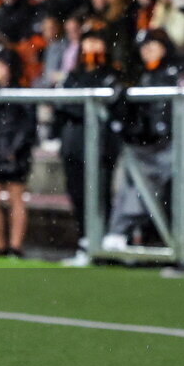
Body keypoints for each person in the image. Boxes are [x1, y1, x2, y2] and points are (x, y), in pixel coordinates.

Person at [102, 29, 179, 251]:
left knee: (172, 194)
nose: (148, 52)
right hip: (144, 144)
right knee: (134, 189)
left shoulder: (173, 72)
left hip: (170, 144)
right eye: (144, 48)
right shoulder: (138, 74)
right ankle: (124, 235)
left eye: (152, 47)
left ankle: (173, 242)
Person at [57, 28, 122, 266]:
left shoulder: (111, 75)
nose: (92, 47)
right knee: (77, 194)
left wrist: (79, 106)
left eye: (97, 42)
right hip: (73, 143)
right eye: (88, 42)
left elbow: (108, 104)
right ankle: (85, 241)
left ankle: (101, 244)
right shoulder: (73, 75)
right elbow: (62, 105)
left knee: (100, 194)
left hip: (100, 145)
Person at [0, 46, 36, 257]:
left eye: (2, 64)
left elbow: (29, 126)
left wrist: (14, 150)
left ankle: (15, 247)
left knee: (16, 198)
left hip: (14, 153)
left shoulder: (21, 92)